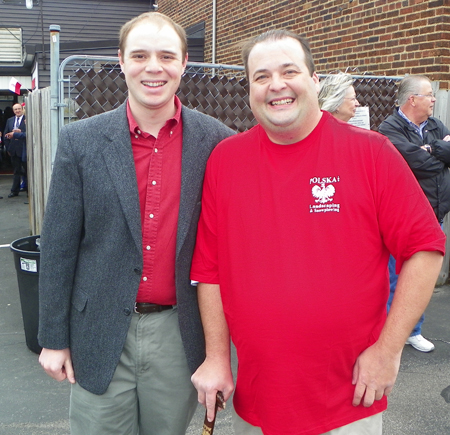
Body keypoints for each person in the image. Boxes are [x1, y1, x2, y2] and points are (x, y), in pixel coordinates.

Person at [190, 30, 445, 435]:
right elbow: (209, 270)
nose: (276, 85)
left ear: (313, 81)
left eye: (289, 71)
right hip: (256, 403)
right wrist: (217, 357)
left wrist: (388, 350)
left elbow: (426, 248)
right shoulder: (226, 161)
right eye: (261, 76)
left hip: (348, 401)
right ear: (250, 88)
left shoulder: (371, 152)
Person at [37, 12, 234, 435]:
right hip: (99, 328)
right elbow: (58, 245)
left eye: (166, 56)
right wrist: (53, 337)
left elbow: (227, 248)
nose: (153, 67)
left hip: (178, 331)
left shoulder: (216, 141)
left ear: (184, 63)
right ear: (122, 61)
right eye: (140, 55)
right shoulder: (81, 140)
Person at [378, 74, 450, 353]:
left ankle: (413, 331)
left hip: (435, 215)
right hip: (403, 218)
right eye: (428, 94)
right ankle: (388, 333)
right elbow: (413, 163)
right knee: (395, 277)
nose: (433, 99)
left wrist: (430, 149)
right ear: (412, 99)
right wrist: (438, 155)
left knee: (422, 279)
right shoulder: (390, 128)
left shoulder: (435, 125)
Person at [3, 103, 26, 198]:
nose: (17, 111)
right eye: (15, 109)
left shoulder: (27, 120)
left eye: (19, 109)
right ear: (13, 111)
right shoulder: (10, 120)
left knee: (27, 171)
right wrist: (8, 148)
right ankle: (14, 191)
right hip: (13, 150)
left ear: (22, 109)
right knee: (16, 171)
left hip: (24, 149)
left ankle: (28, 191)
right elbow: (5, 135)